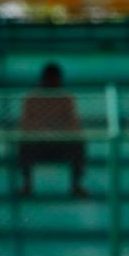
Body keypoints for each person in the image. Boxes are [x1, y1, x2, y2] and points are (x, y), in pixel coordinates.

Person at [19, 62, 88, 197]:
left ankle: (76, 185)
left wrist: (61, 133)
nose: (52, 82)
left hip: (61, 142)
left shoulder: (66, 99)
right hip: (37, 143)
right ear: (43, 79)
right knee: (23, 145)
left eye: (54, 79)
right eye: (49, 78)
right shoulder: (32, 99)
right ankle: (27, 184)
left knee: (79, 145)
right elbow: (26, 125)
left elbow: (74, 125)